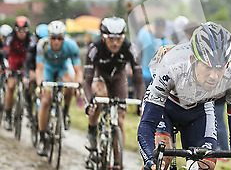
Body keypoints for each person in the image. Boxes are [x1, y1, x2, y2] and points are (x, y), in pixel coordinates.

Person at [137, 22, 231, 170]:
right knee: (161, 159)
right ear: (192, 59)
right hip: (166, 107)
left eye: (220, 68)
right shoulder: (172, 65)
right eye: (208, 66)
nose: (214, 75)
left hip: (200, 110)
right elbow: (147, 125)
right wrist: (149, 160)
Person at [83, 17, 145, 152]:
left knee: (120, 120)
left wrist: (141, 103)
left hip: (118, 77)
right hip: (100, 76)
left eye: (119, 39)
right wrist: (89, 102)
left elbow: (139, 80)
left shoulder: (130, 48)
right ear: (103, 37)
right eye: (111, 39)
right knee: (99, 95)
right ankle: (92, 132)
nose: (115, 43)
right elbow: (86, 81)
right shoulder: (95, 48)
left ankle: (117, 164)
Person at [35, 20, 83, 156]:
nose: (56, 41)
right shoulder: (42, 45)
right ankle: (42, 138)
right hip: (48, 69)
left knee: (70, 83)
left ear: (64, 38)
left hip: (63, 67)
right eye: (53, 38)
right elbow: (39, 68)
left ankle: (66, 112)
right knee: (45, 100)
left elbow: (78, 70)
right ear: (49, 37)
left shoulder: (71, 46)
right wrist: (40, 85)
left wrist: (79, 85)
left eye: (60, 38)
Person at [2, 16, 37, 131]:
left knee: (30, 83)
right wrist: (8, 67)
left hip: (26, 60)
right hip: (13, 60)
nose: (21, 33)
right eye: (19, 30)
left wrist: (29, 70)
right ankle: (8, 114)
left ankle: (29, 105)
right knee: (11, 86)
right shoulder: (10, 37)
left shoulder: (31, 38)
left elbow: (33, 51)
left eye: (24, 30)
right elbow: (6, 52)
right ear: (15, 29)